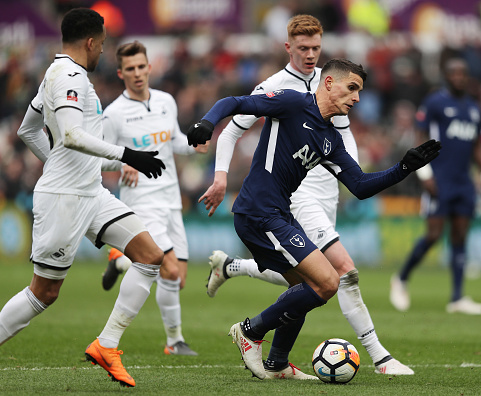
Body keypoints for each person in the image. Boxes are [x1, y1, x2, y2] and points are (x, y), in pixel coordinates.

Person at [186, 58, 441, 380]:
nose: (357, 98)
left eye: (360, 91)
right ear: (329, 83)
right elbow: (234, 102)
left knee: (304, 290)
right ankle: (250, 332)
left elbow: (360, 186)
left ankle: (277, 364)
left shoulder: (329, 138)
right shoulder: (293, 102)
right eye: (352, 88)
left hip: (279, 214)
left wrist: (404, 168)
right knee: (328, 281)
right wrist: (207, 123)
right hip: (258, 211)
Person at [1, 9, 166, 388]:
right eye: (103, 45)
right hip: (64, 198)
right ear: (90, 42)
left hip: (91, 192)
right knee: (44, 292)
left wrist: (59, 162)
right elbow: (72, 135)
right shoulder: (71, 76)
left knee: (150, 256)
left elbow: (28, 130)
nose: (103, 52)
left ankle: (107, 345)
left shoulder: (54, 74)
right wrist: (127, 155)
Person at [99, 41, 209, 356]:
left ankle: (120, 260)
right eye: (129, 69)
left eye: (141, 67)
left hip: (171, 198)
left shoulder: (166, 102)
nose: (137, 73)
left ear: (149, 67)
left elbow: (174, 140)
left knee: (178, 279)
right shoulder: (114, 114)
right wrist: (124, 162)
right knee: (169, 269)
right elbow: (100, 157)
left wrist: (194, 144)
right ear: (121, 73)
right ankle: (174, 342)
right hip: (141, 201)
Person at [390, 58, 481, 315]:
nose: (459, 77)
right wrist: (424, 174)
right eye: (454, 73)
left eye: (463, 73)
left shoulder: (473, 108)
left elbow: (477, 146)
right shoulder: (435, 102)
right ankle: (401, 278)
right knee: (434, 234)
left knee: (460, 235)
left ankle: (457, 297)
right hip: (440, 179)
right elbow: (419, 137)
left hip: (463, 182)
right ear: (446, 76)